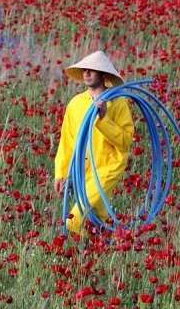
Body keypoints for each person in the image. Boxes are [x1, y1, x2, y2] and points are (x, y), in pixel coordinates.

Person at [53, 50, 134, 236]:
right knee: (95, 220)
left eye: (92, 70)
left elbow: (124, 141)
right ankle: (96, 254)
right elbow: (67, 141)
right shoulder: (76, 104)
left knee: (75, 220)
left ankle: (79, 252)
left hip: (108, 168)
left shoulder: (117, 103)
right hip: (85, 170)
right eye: (85, 70)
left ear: (103, 74)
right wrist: (61, 173)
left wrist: (103, 118)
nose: (87, 73)